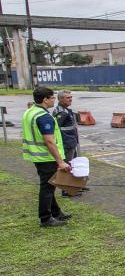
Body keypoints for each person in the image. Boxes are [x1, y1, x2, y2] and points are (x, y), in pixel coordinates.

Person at [22, 86, 73, 227]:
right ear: (45, 99)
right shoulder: (44, 117)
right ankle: (45, 218)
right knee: (47, 188)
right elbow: (49, 141)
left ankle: (56, 213)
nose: (54, 100)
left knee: (50, 185)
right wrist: (60, 161)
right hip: (46, 158)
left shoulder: (30, 112)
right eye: (52, 98)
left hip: (37, 156)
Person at [52, 90, 83, 197]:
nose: (70, 99)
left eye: (71, 97)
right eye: (67, 97)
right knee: (67, 165)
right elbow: (56, 130)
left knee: (72, 165)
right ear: (60, 99)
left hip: (71, 142)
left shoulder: (66, 110)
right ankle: (65, 190)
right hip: (66, 143)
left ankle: (73, 187)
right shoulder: (61, 113)